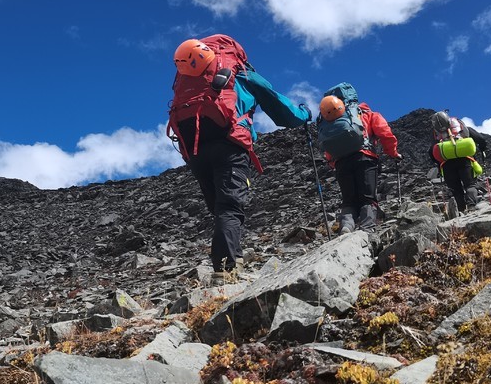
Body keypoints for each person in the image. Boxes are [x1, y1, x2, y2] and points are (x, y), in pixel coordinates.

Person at [168, 35, 311, 280]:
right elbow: (283, 111)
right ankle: (225, 269)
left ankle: (235, 255)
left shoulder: (188, 79)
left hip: (195, 150)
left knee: (219, 207)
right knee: (229, 206)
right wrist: (304, 114)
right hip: (230, 145)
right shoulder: (240, 72)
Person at [317, 88, 400, 233]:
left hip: (341, 163)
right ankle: (367, 231)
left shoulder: (332, 121)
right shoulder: (367, 114)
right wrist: (393, 153)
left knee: (349, 200)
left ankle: (347, 227)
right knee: (368, 197)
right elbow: (385, 133)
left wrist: (332, 162)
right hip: (364, 158)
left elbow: (328, 147)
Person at [430, 110, 487, 215]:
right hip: (465, 160)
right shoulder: (461, 128)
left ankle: (461, 211)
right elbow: (481, 139)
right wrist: (482, 149)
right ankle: (471, 207)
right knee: (470, 185)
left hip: (447, 165)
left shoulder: (437, 135)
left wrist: (439, 164)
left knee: (456, 190)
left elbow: (432, 152)